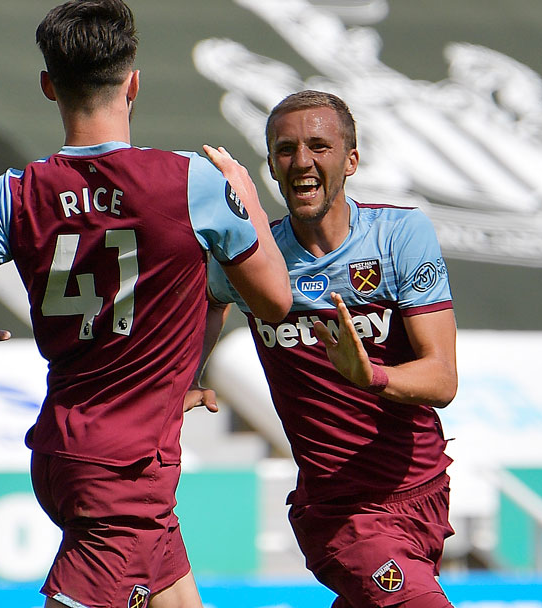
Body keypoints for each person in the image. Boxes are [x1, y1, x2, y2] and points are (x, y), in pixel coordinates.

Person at [0, 2, 292, 607]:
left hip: (64, 451)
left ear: (47, 85)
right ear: (134, 82)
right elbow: (274, 301)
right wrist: (247, 200)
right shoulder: (194, 183)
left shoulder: (14, 193)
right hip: (125, 469)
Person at [198, 90, 459, 608]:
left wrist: (371, 377)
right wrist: (188, 373)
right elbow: (208, 300)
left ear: (352, 159)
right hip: (341, 512)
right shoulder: (256, 259)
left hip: (424, 490)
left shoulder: (400, 236)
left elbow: (442, 379)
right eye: (285, 149)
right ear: (270, 165)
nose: (302, 162)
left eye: (319, 145)